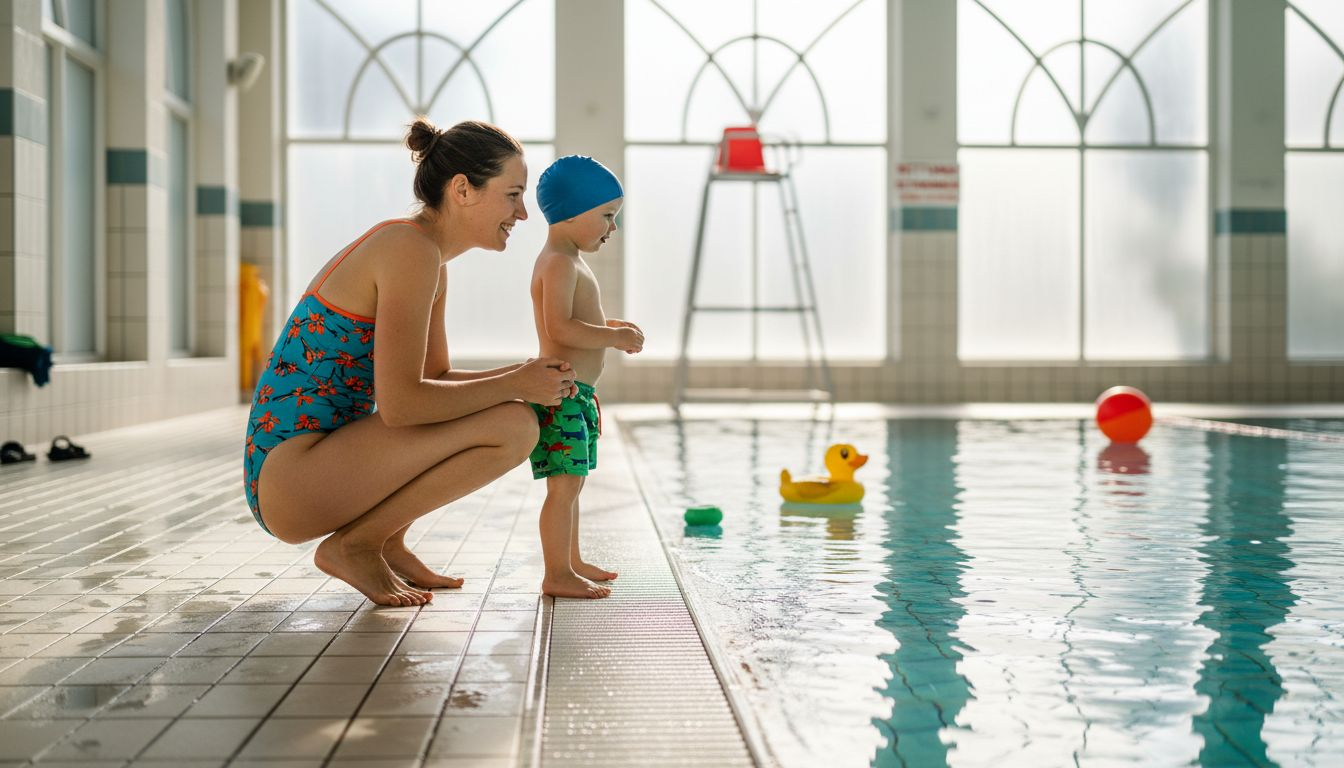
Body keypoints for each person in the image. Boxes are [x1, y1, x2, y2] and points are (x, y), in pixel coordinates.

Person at [243, 119, 578, 607]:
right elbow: (403, 405)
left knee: (513, 415)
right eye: (512, 195)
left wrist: (523, 376)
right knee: (514, 426)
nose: (523, 214)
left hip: (307, 467)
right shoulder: (408, 250)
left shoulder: (428, 259)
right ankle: (357, 545)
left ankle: (387, 542)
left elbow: (435, 382)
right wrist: (517, 384)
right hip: (290, 477)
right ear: (462, 189)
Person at [527, 156, 644, 599]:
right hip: (561, 395)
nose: (612, 228)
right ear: (572, 212)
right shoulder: (558, 262)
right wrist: (612, 336)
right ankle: (556, 573)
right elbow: (559, 328)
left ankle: (570, 561)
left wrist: (610, 327)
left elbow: (579, 321)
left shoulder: (570, 258)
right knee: (563, 488)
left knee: (572, 485)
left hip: (578, 394)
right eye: (607, 216)